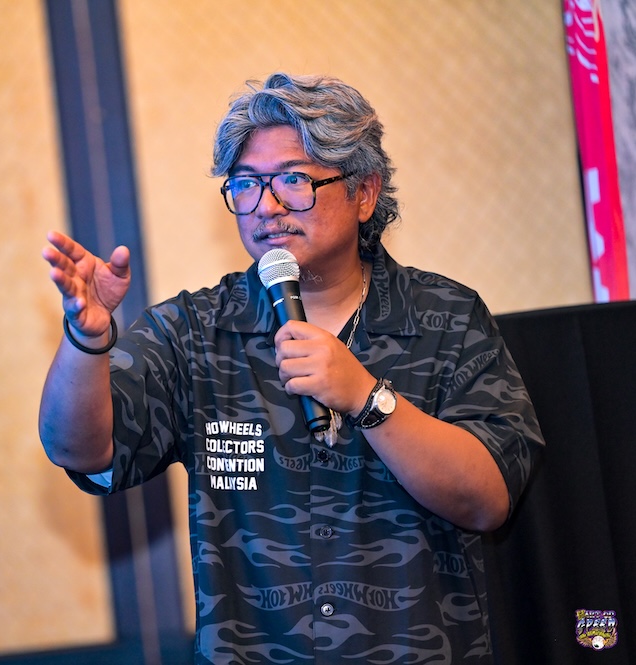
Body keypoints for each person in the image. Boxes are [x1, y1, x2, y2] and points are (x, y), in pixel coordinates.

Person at [39, 72, 543, 664]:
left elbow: (488, 497)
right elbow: (79, 449)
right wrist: (86, 340)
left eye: (293, 181)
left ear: (364, 193)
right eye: (246, 185)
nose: (268, 206)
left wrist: (368, 398)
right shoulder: (194, 331)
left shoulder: (447, 318)